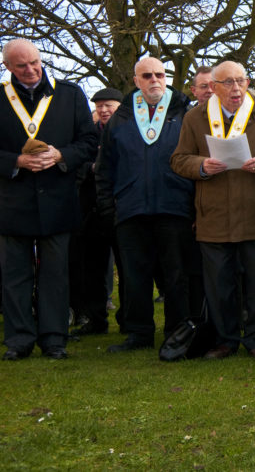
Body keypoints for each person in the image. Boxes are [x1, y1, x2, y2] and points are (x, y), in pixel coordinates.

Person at [171, 61, 255, 360]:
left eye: (241, 81)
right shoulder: (195, 118)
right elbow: (178, 159)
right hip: (213, 216)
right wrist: (200, 166)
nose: (236, 88)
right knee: (219, 285)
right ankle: (225, 340)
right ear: (213, 87)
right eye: (228, 82)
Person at [0, 38, 98, 360]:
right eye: (21, 66)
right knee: (16, 274)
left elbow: (89, 141)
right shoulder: (1, 98)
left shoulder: (69, 94)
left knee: (55, 274)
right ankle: (19, 340)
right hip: (13, 202)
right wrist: (16, 161)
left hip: (58, 200)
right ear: (8, 67)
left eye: (34, 63)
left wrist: (60, 155)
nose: (30, 70)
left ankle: (54, 338)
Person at [96, 57, 194, 352]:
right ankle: (138, 334)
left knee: (176, 275)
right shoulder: (122, 117)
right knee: (134, 277)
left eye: (160, 74)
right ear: (136, 80)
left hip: (174, 207)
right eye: (147, 75)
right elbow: (105, 167)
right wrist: (108, 207)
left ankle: (177, 331)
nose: (155, 80)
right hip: (131, 209)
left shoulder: (184, 112)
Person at [70, 87, 123, 337]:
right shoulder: (89, 136)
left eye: (108, 105)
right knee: (91, 268)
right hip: (91, 210)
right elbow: (77, 164)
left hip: (120, 208)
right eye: (99, 106)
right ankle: (96, 318)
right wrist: (91, 168)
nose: (103, 110)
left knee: (127, 267)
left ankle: (130, 319)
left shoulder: (127, 132)